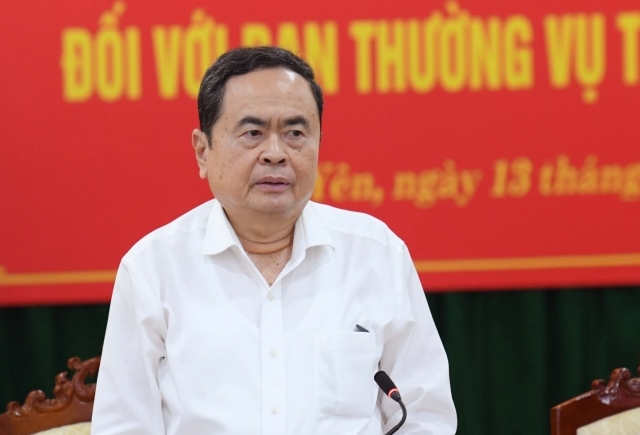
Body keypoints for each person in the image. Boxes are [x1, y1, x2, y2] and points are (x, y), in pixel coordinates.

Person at [91, 46, 456, 435]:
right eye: (253, 133)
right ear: (203, 151)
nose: (276, 154)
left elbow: (425, 416)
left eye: (295, 133)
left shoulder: (376, 255)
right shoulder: (153, 269)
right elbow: (123, 427)